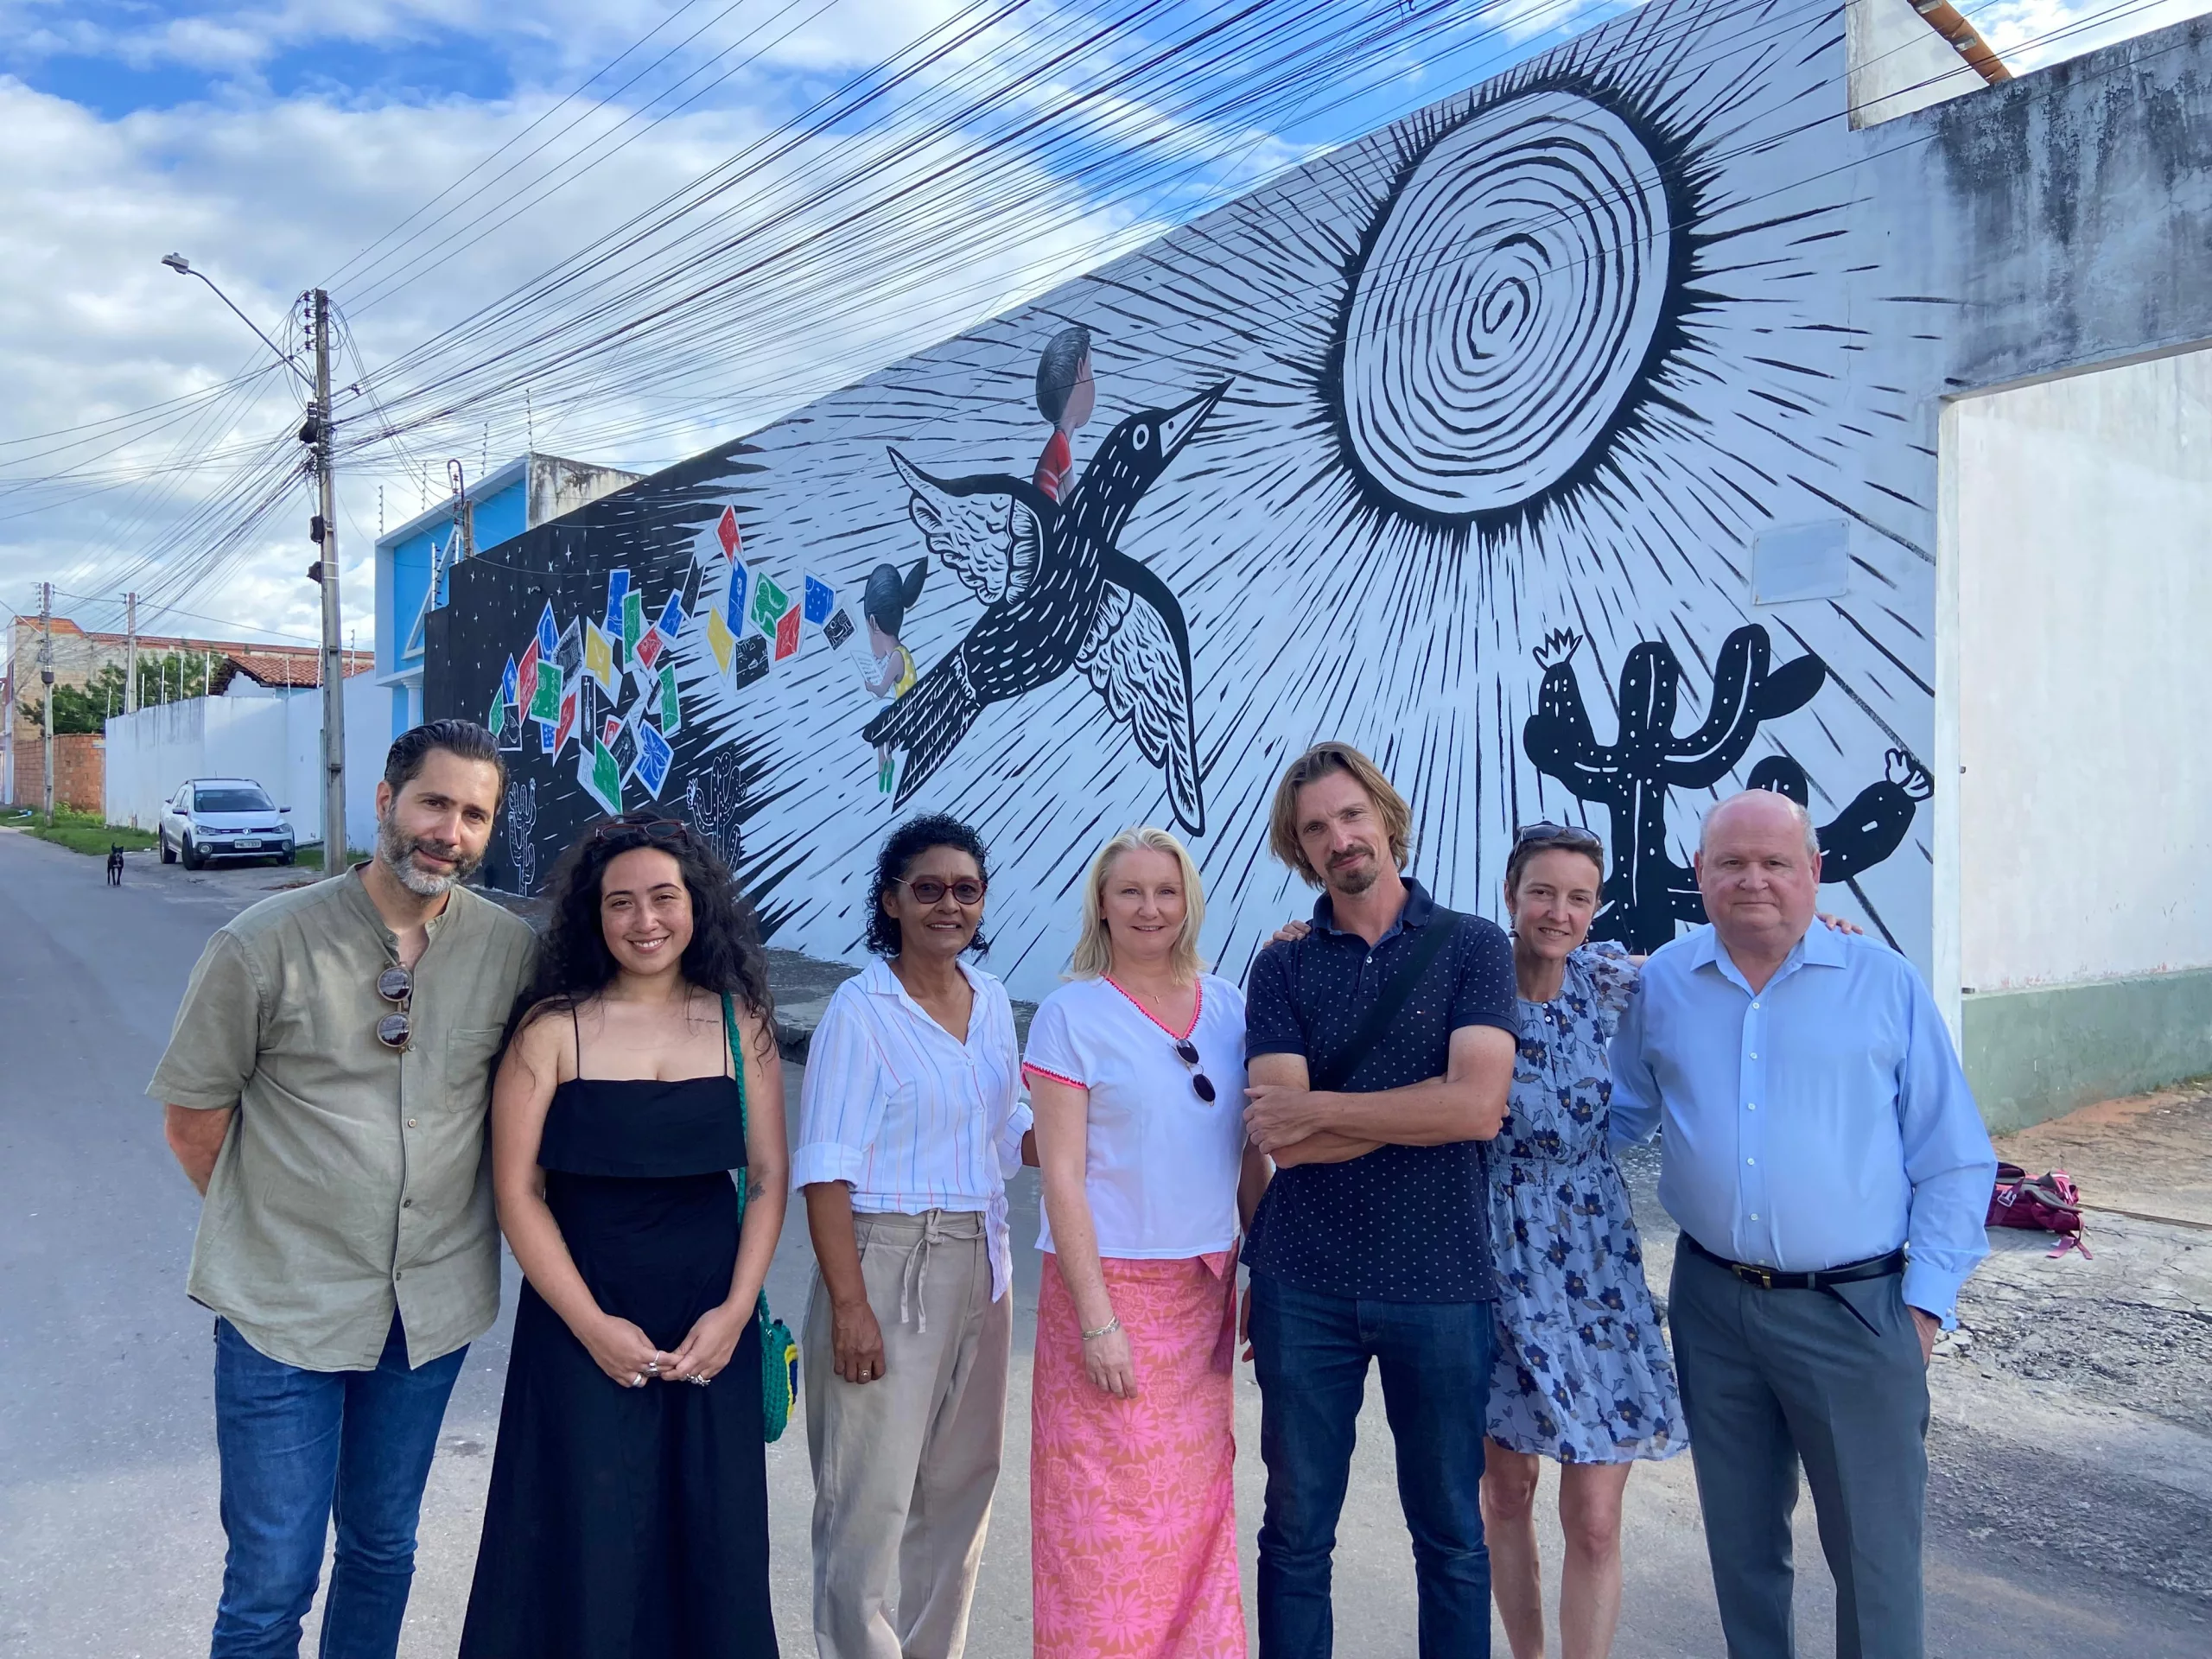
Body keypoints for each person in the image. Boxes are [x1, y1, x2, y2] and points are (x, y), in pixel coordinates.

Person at [150, 720, 533, 1659]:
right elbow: (194, 1116)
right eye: (434, 802)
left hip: (428, 1312)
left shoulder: (509, 952)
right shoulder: (261, 945)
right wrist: (284, 1228)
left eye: (474, 814)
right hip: (283, 1311)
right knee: (272, 1579)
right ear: (385, 802)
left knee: (381, 1548)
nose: (450, 830)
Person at [1610, 789, 1997, 1659]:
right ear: (1699, 876)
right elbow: (1617, 1114)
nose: (1752, 880)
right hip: (1711, 1304)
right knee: (1741, 1548)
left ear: (1815, 873)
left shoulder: (1882, 984)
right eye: (1730, 863)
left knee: (1874, 1559)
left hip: (1855, 1313)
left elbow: (1954, 1157)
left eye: (1774, 863)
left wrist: (1924, 1309)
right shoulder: (1662, 982)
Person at [460, 812, 787, 1657]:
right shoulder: (551, 1030)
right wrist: (590, 1326)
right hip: (580, 1322)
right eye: (621, 903)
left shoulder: (737, 1021)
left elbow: (767, 1179)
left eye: (663, 898)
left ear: (696, 906)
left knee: (711, 1541)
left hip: (711, 1324)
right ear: (592, 917)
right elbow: (517, 1192)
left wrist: (736, 1313)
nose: (645, 921)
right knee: (585, 1539)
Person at [1240, 741, 1520, 1659]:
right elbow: (1275, 1136)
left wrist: (1319, 1108)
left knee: (1449, 1532)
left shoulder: (1475, 946)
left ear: (1386, 819)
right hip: (1303, 1281)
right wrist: (1417, 1111)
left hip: (1439, 1280)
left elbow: (1477, 1107)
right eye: (1316, 828)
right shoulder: (1280, 966)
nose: (1339, 839)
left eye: (1351, 816)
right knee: (1294, 1532)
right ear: (1300, 848)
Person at [1022, 827, 1269, 1659]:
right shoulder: (1070, 1015)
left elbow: (1246, 1155)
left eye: (1166, 891)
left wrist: (1257, 1273)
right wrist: (1098, 1320)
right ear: (1102, 903)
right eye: (1130, 892)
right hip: (1106, 1291)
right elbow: (1061, 1178)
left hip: (1203, 1290)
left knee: (1190, 1513)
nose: (1149, 908)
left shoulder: (1232, 1004)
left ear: (1189, 901)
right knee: (1100, 1519)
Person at [794, 814, 1030, 1659]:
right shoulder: (861, 1013)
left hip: (985, 1262)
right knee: (869, 1504)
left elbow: (1012, 1131)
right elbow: (824, 1171)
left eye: (965, 890)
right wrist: (850, 1307)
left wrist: (1112, 1122)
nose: (948, 905)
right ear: (890, 901)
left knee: (961, 1494)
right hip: (887, 1261)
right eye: (926, 889)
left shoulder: (993, 999)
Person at [858, 559, 928, 794]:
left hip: (906, 715)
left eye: (868, 632)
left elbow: (881, 690)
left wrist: (869, 684)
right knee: (882, 717)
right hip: (908, 710)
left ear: (873, 623)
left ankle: (884, 764)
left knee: (879, 723)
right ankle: (886, 760)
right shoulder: (903, 653)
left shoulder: (897, 657)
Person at [1032, 323, 1096, 502]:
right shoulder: (1060, 444)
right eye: (1091, 368)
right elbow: (1071, 503)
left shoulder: (1054, 445)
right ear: (1081, 369)